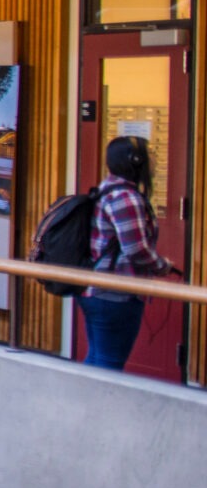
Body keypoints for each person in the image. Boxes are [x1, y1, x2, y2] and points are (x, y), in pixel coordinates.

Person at [83, 135, 178, 370]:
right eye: (150, 154)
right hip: (115, 294)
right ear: (135, 160)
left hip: (97, 289)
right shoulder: (125, 197)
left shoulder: (107, 188)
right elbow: (135, 249)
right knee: (109, 365)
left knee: (96, 360)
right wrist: (162, 266)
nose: (154, 159)